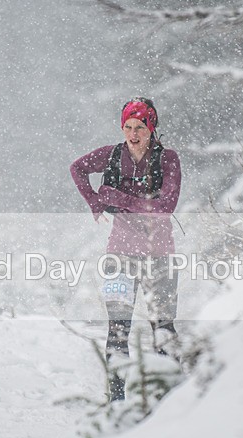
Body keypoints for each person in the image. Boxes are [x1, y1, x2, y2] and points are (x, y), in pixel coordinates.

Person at [70, 97, 181, 401]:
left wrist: (117, 198)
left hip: (159, 255)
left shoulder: (168, 159)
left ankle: (171, 403)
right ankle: (117, 404)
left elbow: (165, 207)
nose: (133, 134)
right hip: (119, 255)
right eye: (128, 127)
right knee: (118, 330)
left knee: (163, 328)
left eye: (140, 127)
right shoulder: (112, 156)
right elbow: (77, 168)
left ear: (151, 128)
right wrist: (94, 201)